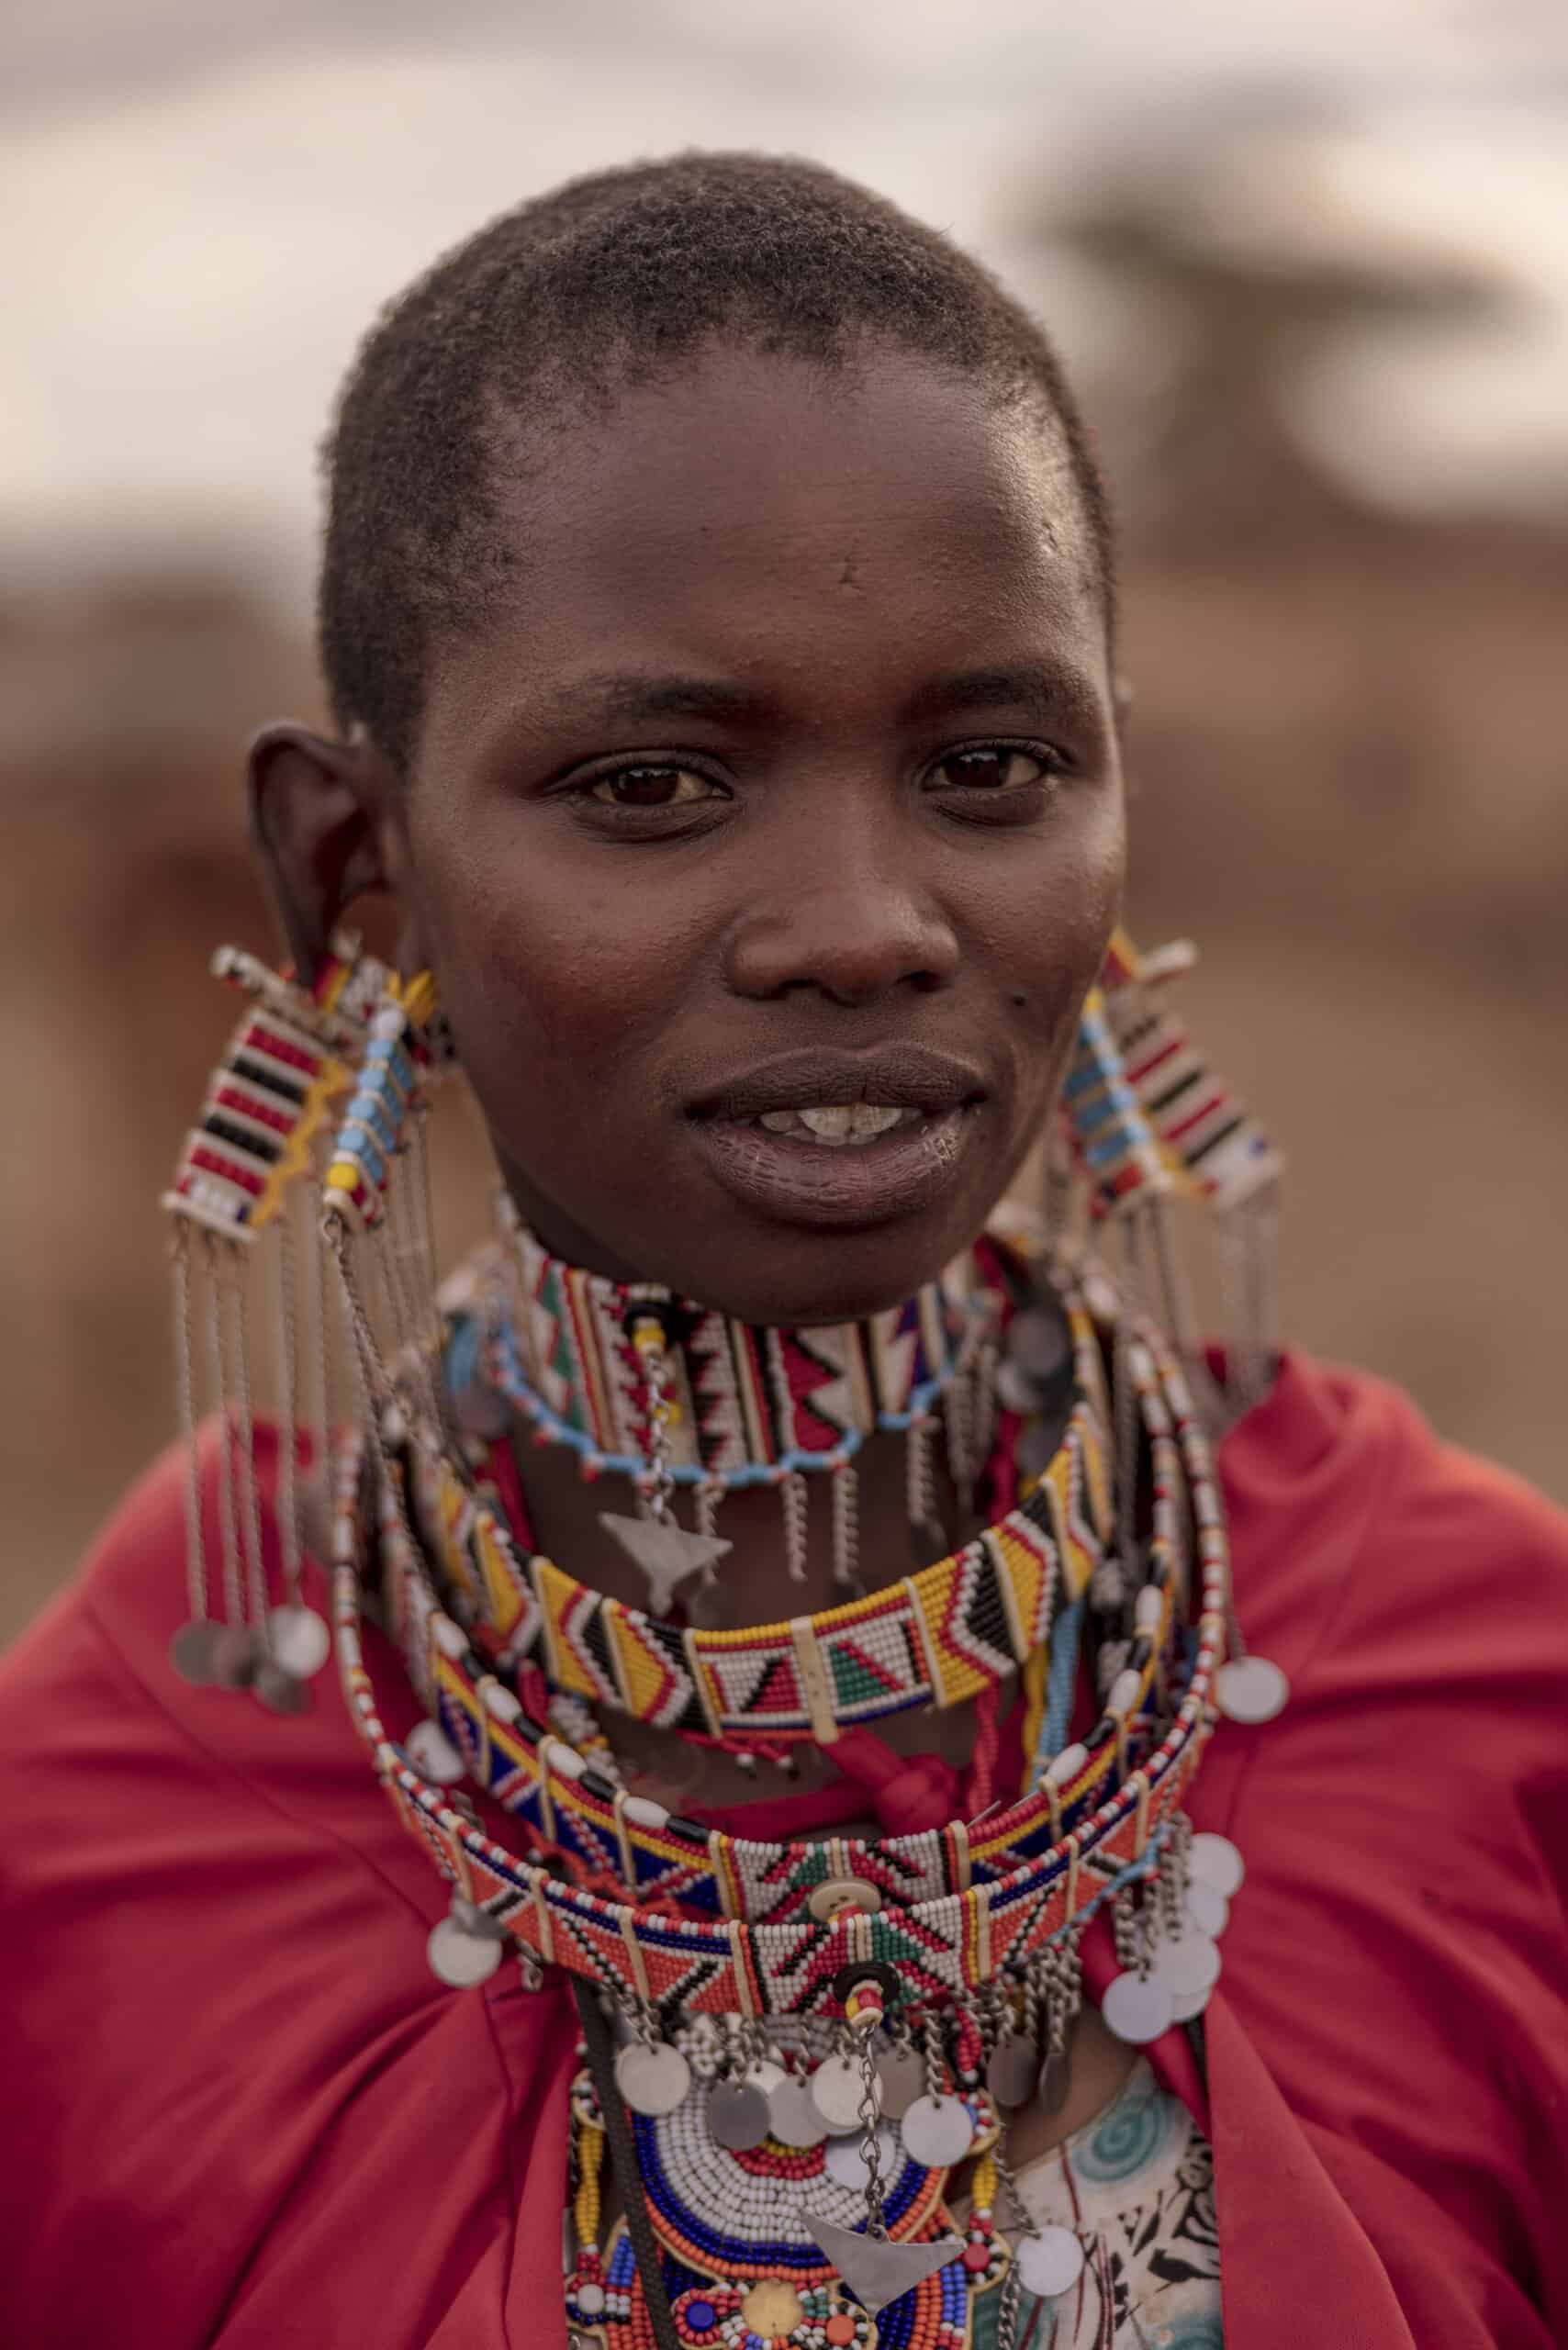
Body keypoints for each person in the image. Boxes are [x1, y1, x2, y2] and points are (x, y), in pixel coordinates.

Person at [1, 152, 1563, 2350]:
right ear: (355, 873)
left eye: (992, 762)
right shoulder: (113, 1823)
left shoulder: (1472, 1674)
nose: (862, 922)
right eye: (651, 784)